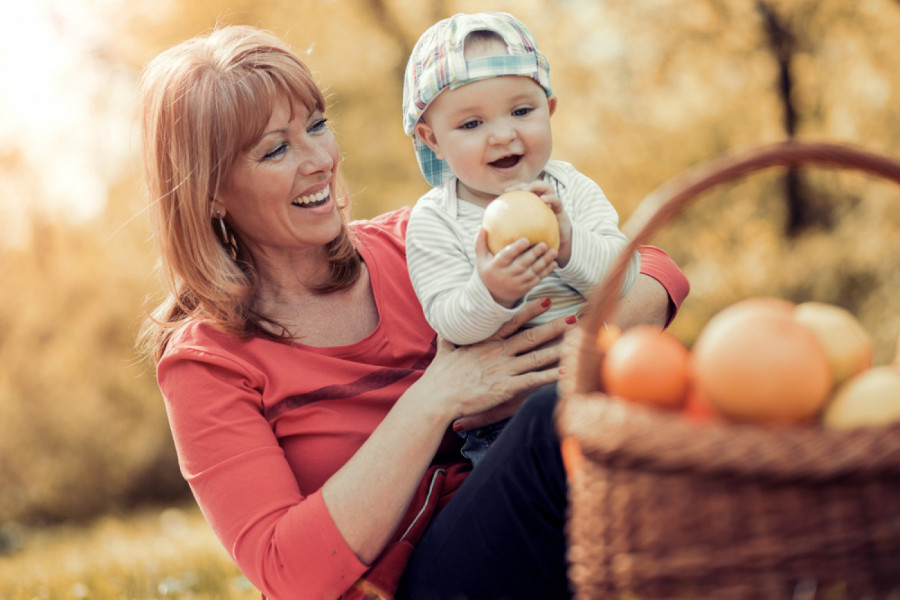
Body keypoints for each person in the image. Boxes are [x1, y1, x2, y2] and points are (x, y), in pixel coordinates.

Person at [137, 24, 689, 600]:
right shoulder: (206, 363)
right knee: (556, 422)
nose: (319, 160)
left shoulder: (414, 243)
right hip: (403, 586)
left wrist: (574, 356)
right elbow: (288, 573)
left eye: (318, 126)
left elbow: (654, 270)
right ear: (210, 192)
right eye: (276, 148)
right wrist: (438, 396)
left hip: (532, 534)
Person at [402, 12, 642, 464]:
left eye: (521, 111)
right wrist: (492, 292)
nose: (502, 134)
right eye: (471, 124)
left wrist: (569, 242)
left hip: (603, 385)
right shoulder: (436, 219)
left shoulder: (572, 190)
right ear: (433, 140)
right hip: (506, 422)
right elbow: (449, 321)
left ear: (549, 109)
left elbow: (626, 277)